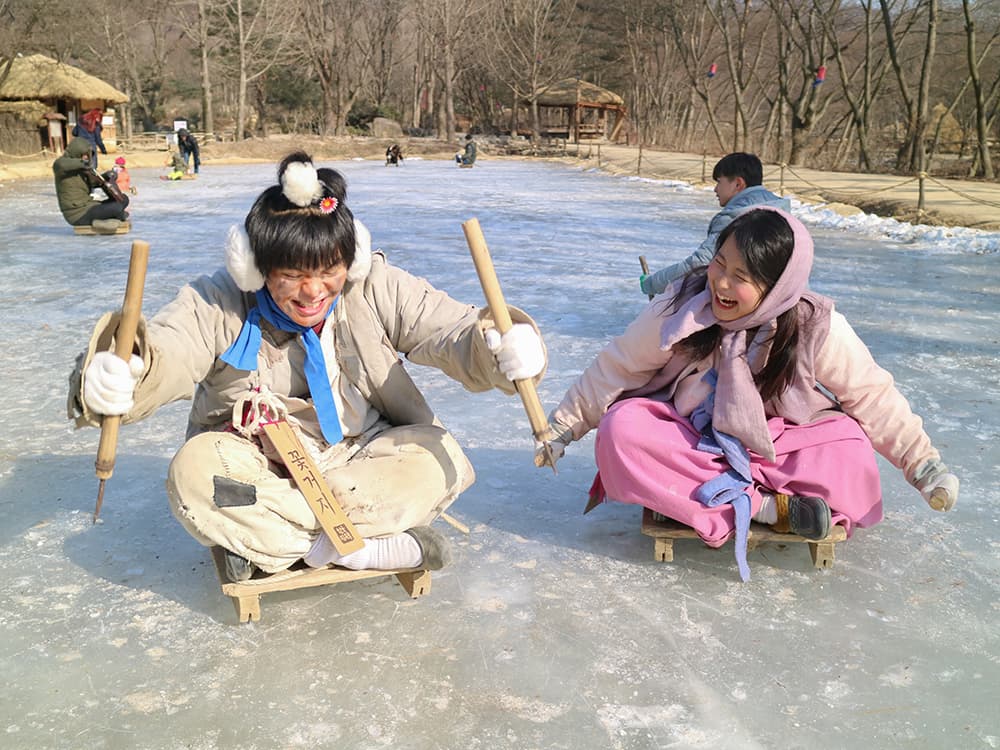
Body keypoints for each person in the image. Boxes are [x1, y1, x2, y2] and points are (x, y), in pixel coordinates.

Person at [69, 151, 547, 583]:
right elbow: (170, 350)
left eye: (328, 271)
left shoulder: (375, 286)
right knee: (195, 474)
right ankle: (356, 548)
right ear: (256, 268)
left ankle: (273, 542)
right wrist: (125, 371)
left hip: (360, 455)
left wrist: (496, 347)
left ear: (351, 260)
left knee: (435, 457)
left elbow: (451, 331)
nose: (314, 291)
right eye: (293, 275)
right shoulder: (220, 300)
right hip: (260, 462)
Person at [537, 207, 959, 581]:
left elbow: (872, 396)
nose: (720, 282)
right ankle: (766, 508)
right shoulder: (683, 303)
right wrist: (563, 426)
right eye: (719, 263)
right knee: (622, 431)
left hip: (777, 441)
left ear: (777, 287)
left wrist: (924, 466)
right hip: (692, 435)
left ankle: (694, 494)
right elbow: (620, 363)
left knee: (852, 454)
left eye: (740, 277)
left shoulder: (812, 323)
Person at [641, 152, 789, 297]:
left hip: (747, 307)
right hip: (784, 301)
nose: (715, 189)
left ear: (738, 184)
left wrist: (652, 284)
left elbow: (700, 264)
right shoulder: (784, 212)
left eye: (719, 181)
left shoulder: (738, 219)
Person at [52, 137, 130, 226]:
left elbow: (94, 182)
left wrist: (107, 176)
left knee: (124, 199)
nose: (86, 157)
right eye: (84, 154)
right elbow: (62, 164)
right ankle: (106, 220)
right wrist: (83, 164)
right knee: (116, 208)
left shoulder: (83, 170)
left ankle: (107, 219)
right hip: (77, 214)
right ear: (77, 152)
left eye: (87, 155)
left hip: (89, 206)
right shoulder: (61, 166)